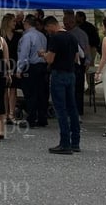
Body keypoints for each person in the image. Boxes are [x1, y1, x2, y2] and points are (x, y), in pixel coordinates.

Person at [41, 16, 81, 155]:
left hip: (59, 74)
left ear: (51, 25)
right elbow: (77, 57)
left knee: (61, 109)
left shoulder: (56, 38)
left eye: (47, 29)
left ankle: (65, 143)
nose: (48, 32)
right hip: (71, 74)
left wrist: (43, 54)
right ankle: (75, 142)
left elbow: (50, 59)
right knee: (72, 108)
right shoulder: (72, 37)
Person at [15, 14, 48, 128]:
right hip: (42, 66)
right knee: (41, 93)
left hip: (31, 67)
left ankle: (31, 118)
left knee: (30, 94)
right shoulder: (42, 36)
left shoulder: (27, 37)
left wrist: (19, 69)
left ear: (27, 24)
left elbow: (24, 54)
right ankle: (42, 117)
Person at [63, 10, 90, 116]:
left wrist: (87, 61)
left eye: (67, 23)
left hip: (78, 63)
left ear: (72, 22)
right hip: (68, 62)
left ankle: (78, 110)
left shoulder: (80, 34)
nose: (65, 25)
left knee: (77, 87)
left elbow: (86, 48)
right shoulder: (66, 32)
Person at [0, 13, 21, 125]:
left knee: (13, 89)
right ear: (8, 22)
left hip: (14, 64)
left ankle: (11, 114)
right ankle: (4, 112)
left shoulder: (17, 36)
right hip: (1, 65)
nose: (15, 23)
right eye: (13, 21)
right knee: (4, 90)